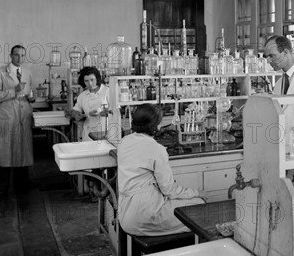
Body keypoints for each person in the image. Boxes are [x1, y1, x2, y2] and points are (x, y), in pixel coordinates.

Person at [117, 103, 207, 236]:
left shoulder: (124, 142)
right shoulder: (157, 149)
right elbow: (169, 190)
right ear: (154, 126)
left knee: (182, 205)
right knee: (200, 206)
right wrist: (197, 193)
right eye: (159, 123)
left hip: (124, 216)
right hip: (146, 216)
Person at [0, 45, 35, 198]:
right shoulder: (0, 73)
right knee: (5, 151)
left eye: (22, 55)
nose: (19, 58)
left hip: (23, 116)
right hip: (7, 117)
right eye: (16, 55)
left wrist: (31, 97)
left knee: (23, 150)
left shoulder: (27, 72)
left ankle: (22, 184)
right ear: (10, 55)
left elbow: (30, 91)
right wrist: (13, 91)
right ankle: (2, 187)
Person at [68, 66, 109, 141]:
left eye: (92, 80)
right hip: (88, 135)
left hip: (104, 134)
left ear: (97, 78)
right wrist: (77, 115)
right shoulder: (82, 96)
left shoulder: (107, 92)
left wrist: (101, 113)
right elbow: (74, 111)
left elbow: (115, 111)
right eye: (86, 81)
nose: (90, 83)